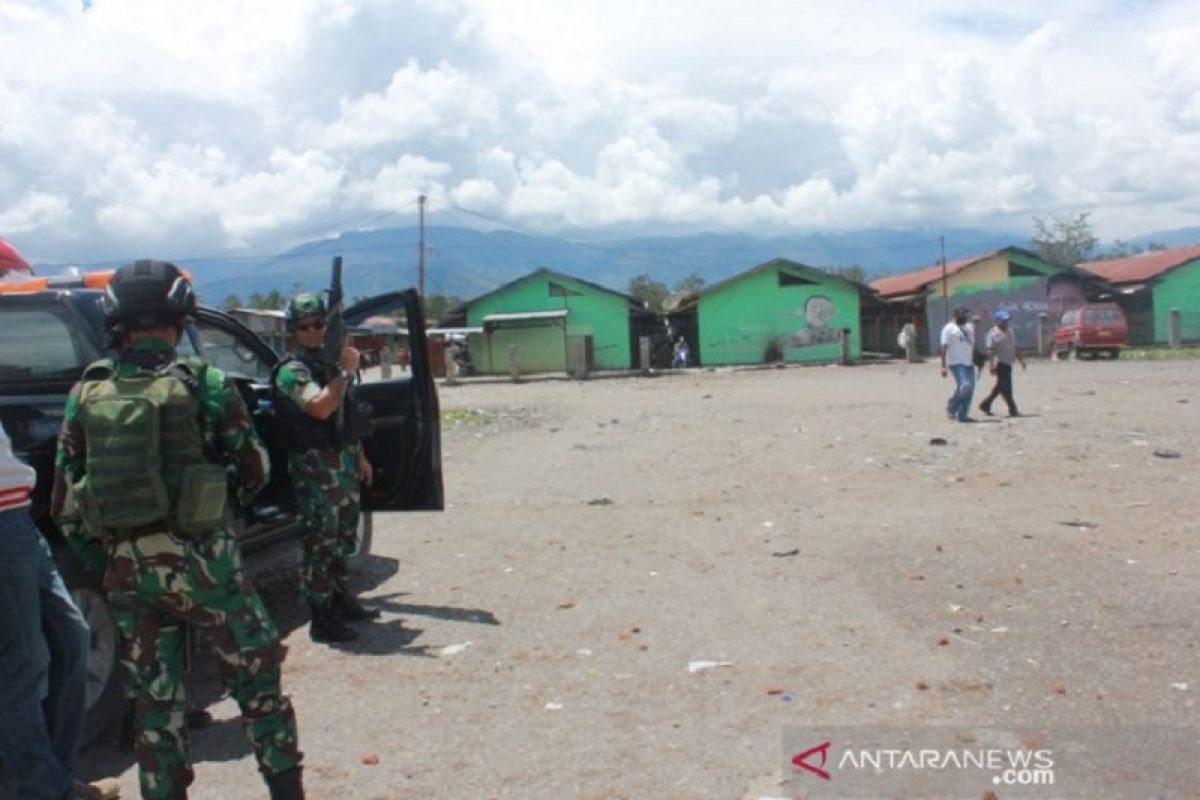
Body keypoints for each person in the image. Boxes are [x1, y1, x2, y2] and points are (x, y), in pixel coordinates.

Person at [54, 260, 304, 800]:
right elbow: (255, 469)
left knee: (155, 707)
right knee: (258, 682)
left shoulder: (87, 391)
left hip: (126, 573)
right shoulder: (206, 383)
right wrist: (216, 511)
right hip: (205, 565)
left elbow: (66, 498)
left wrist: (109, 560)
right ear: (178, 316)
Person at [0, 423, 122, 800]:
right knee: (23, 663)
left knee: (72, 637)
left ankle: (55, 779)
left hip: (17, 514)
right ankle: (44, 789)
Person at [271, 293, 376, 645]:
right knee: (321, 544)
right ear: (294, 331)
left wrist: (359, 456)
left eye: (320, 324)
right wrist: (345, 371)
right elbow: (320, 408)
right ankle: (321, 617)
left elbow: (344, 416)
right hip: (315, 467)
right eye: (306, 326)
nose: (314, 331)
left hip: (341, 462)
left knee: (344, 538)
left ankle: (341, 600)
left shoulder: (329, 367)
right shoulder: (292, 370)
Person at [979, 310, 1027, 417]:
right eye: (1003, 321)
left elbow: (1015, 347)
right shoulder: (992, 334)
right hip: (999, 364)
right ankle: (1013, 409)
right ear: (998, 321)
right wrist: (991, 365)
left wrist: (1021, 360)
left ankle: (985, 404)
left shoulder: (1010, 332)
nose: (1005, 322)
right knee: (1006, 388)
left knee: (1000, 387)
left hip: (1008, 363)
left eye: (1007, 320)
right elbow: (990, 351)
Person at [939, 306, 976, 422]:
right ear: (955, 315)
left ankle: (963, 414)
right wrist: (943, 366)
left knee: (970, 389)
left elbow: (972, 343)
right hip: (956, 362)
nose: (965, 316)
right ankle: (952, 406)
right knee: (966, 385)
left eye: (966, 314)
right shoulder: (948, 328)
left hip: (969, 362)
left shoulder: (969, 327)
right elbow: (943, 347)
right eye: (962, 314)